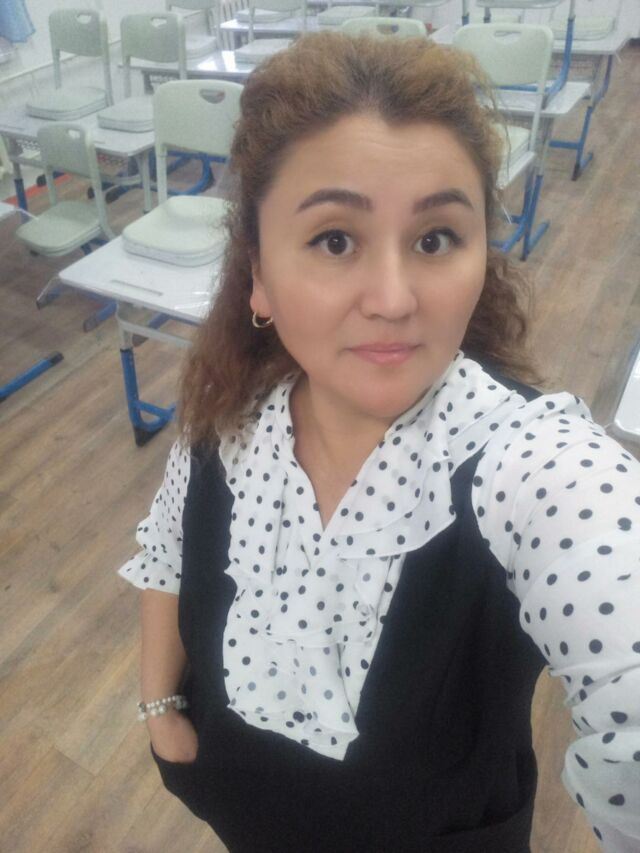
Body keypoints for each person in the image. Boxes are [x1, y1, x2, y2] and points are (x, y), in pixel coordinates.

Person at [119, 32, 640, 853]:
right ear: (258, 273)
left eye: (435, 239)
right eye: (335, 239)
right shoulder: (228, 421)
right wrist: (161, 710)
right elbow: (166, 554)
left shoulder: (533, 466)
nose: (395, 300)